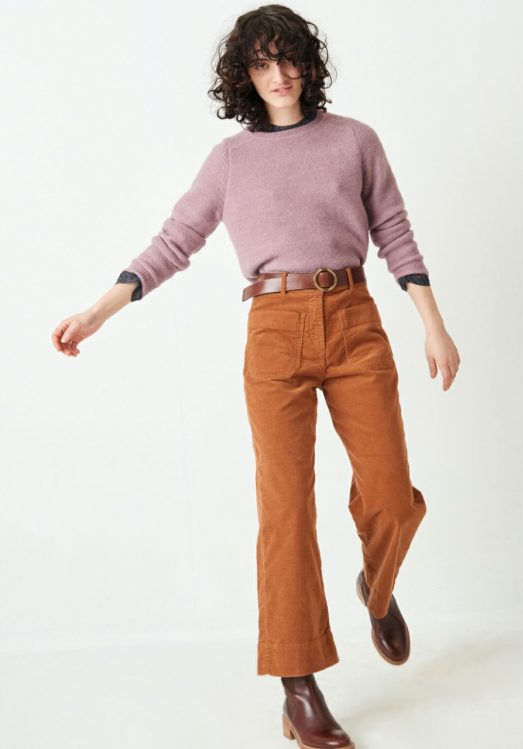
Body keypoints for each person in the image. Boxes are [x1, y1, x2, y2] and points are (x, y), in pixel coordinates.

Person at [51, 5, 460, 748]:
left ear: (309, 62)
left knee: (393, 494)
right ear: (244, 75)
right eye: (263, 62)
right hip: (273, 331)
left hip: (355, 321)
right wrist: (98, 311)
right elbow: (175, 241)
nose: (279, 74)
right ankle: (299, 686)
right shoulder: (230, 160)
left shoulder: (355, 141)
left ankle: (376, 585)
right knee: (285, 511)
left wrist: (434, 323)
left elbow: (395, 232)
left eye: (289, 57)